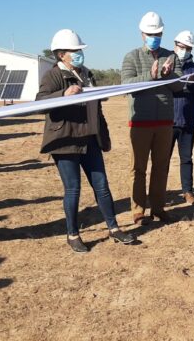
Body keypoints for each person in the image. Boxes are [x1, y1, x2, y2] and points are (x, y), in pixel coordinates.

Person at [37, 29, 135, 252]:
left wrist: (104, 136)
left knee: (102, 186)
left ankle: (114, 228)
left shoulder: (87, 74)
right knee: (73, 189)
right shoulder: (52, 76)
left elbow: (97, 110)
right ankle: (73, 234)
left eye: (80, 50)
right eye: (76, 51)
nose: (80, 54)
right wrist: (63, 95)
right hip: (65, 141)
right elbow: (40, 102)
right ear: (62, 54)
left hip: (90, 139)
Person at [120, 12, 183, 225]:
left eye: (158, 33)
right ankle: (138, 210)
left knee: (161, 166)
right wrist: (151, 76)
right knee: (138, 168)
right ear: (142, 34)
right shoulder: (132, 56)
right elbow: (127, 85)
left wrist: (168, 76)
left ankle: (158, 208)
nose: (154, 36)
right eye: (150, 33)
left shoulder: (170, 56)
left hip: (164, 122)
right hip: (140, 122)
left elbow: (179, 85)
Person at [170, 30, 194, 205]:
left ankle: (188, 192)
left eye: (188, 48)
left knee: (186, 159)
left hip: (188, 122)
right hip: (168, 121)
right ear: (175, 45)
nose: (184, 50)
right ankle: (159, 193)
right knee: (162, 160)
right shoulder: (167, 66)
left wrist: (193, 84)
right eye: (181, 47)